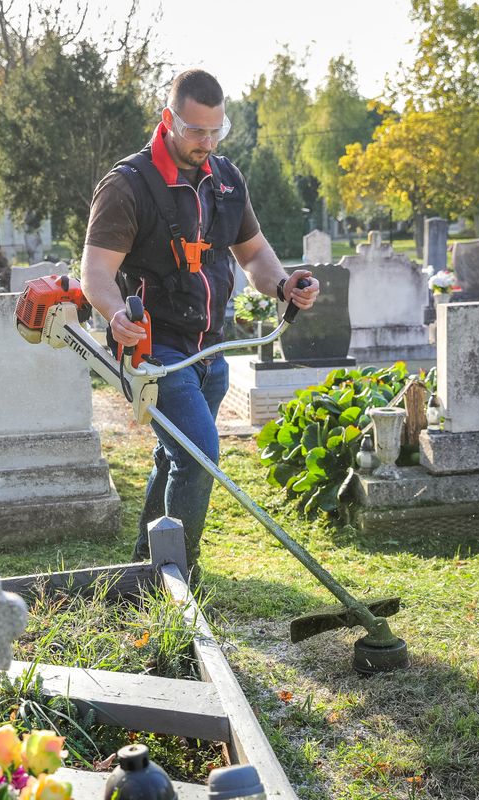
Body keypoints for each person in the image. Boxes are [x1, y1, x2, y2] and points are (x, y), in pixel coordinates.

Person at [81, 68, 319, 573]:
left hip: (211, 351)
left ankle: (146, 567)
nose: (206, 142)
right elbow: (96, 272)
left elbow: (254, 255)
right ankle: (180, 576)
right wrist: (115, 312)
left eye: (216, 131)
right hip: (154, 351)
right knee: (198, 454)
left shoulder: (226, 181)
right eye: (195, 131)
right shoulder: (128, 186)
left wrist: (283, 285)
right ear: (168, 120)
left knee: (175, 457)